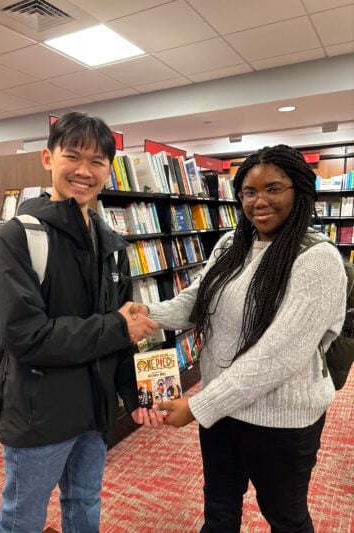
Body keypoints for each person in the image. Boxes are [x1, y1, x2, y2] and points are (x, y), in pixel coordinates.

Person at [132, 145, 347, 532]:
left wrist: (199, 407)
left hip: (280, 422)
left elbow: (277, 357)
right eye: (249, 191)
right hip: (223, 414)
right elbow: (195, 301)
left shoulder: (318, 261)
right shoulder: (233, 244)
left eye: (274, 189)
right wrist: (148, 314)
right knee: (219, 508)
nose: (259, 201)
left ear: (300, 191)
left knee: (286, 518)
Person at [0, 111, 161, 533]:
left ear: (109, 169)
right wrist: (119, 327)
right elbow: (26, 337)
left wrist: (135, 394)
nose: (84, 171)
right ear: (48, 158)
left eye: (97, 161)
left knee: (84, 503)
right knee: (22, 516)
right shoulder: (16, 238)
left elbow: (122, 330)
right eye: (73, 156)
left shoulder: (113, 245)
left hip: (96, 410)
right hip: (40, 412)